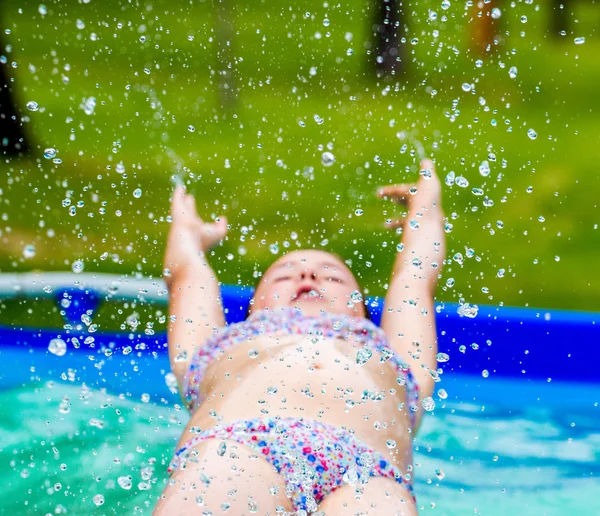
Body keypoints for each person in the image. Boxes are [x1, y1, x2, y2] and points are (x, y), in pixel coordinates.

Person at [154, 159, 446, 515]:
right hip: (239, 446)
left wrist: (426, 211)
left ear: (363, 312)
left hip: (370, 475)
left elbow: (415, 275)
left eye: (334, 277)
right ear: (252, 309)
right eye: (283, 276)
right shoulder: (220, 348)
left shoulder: (393, 354)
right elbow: (187, 276)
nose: (308, 275)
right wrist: (187, 234)